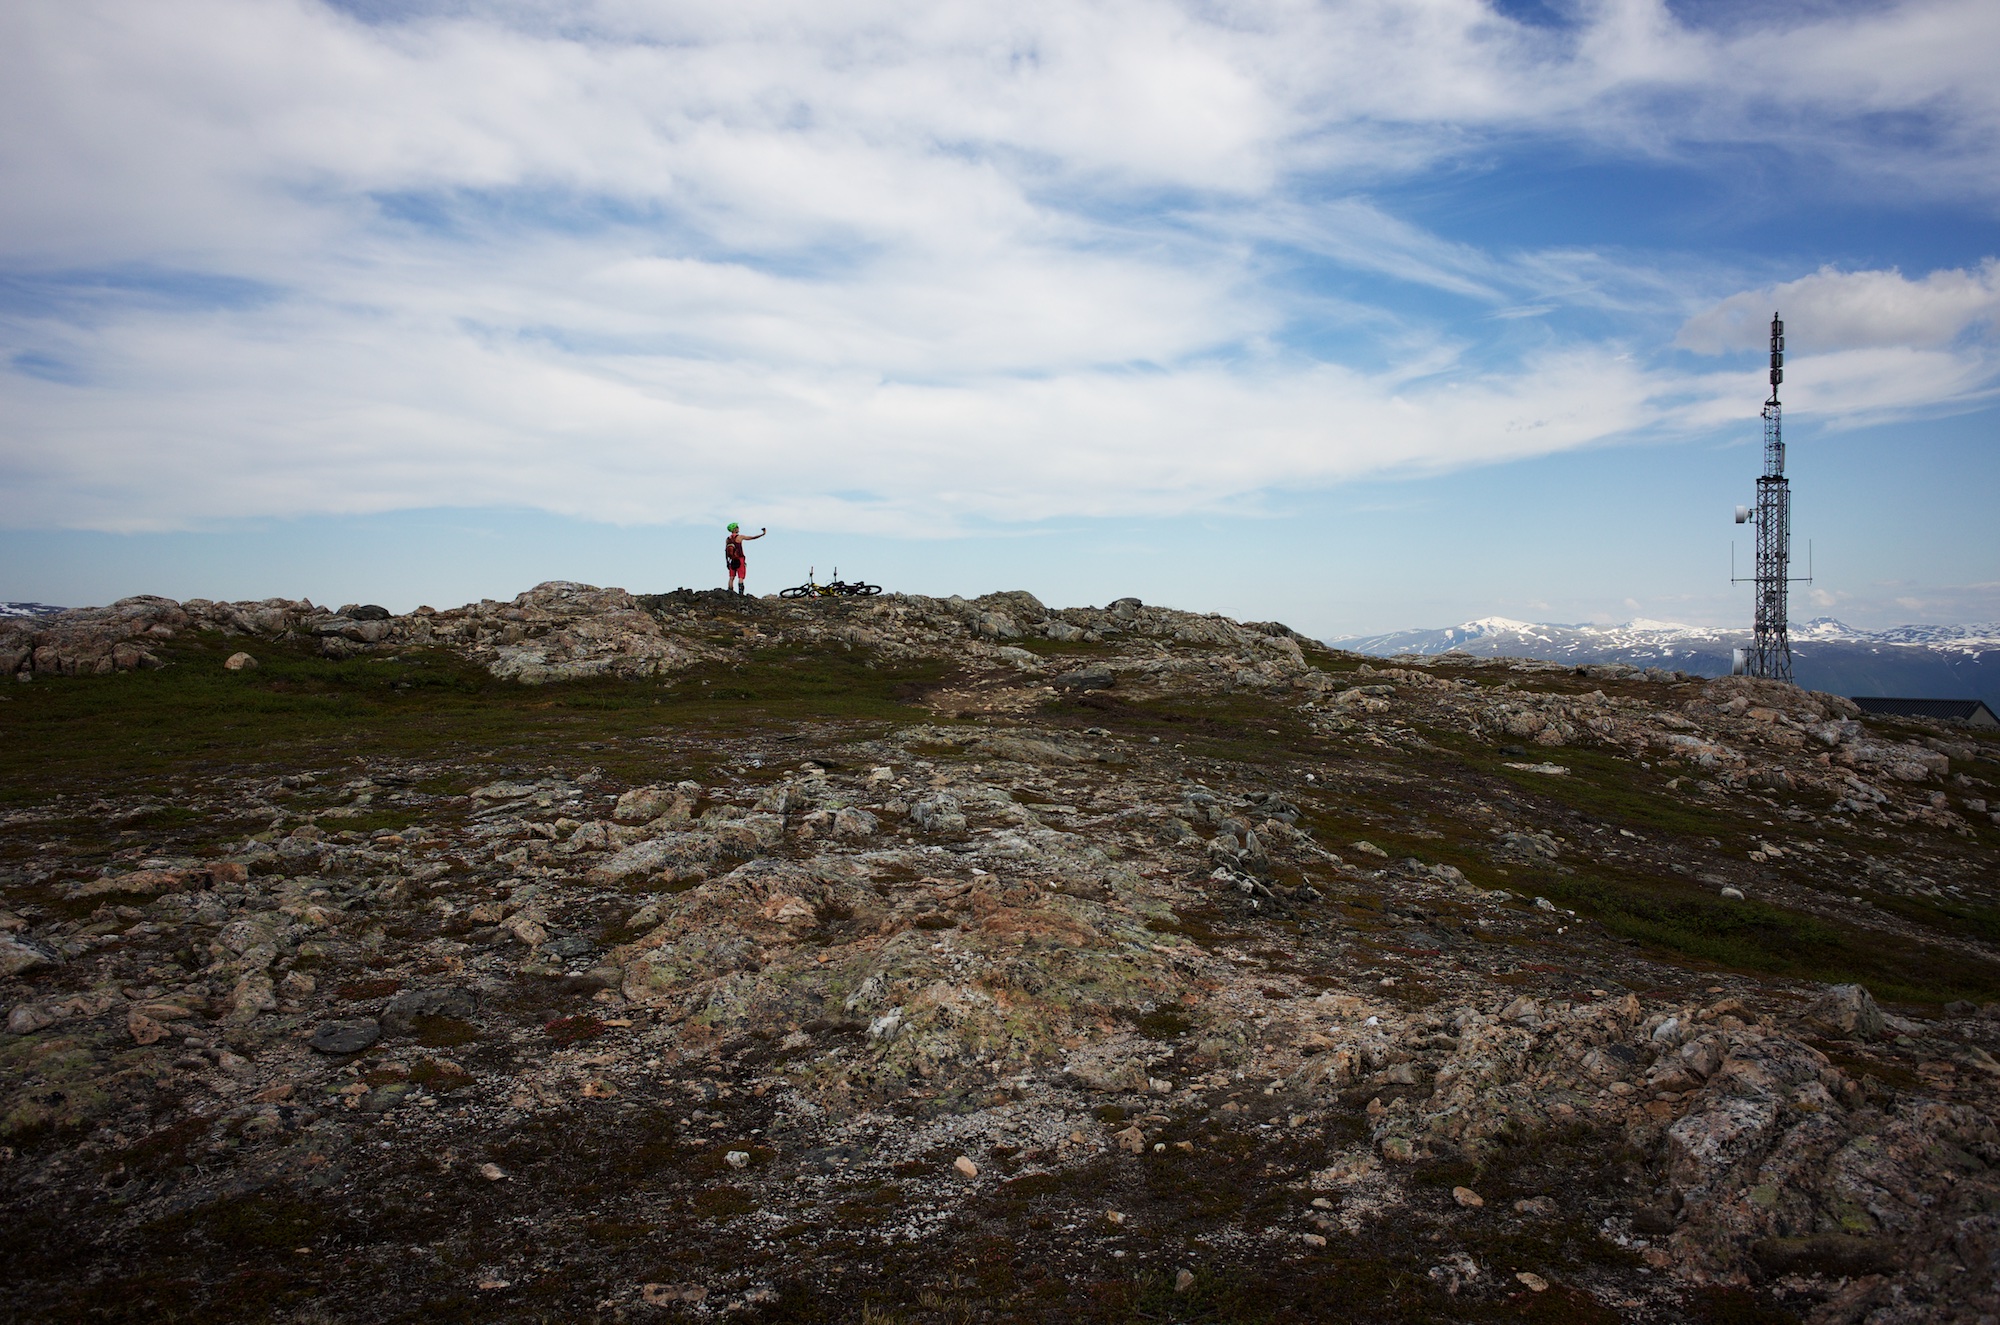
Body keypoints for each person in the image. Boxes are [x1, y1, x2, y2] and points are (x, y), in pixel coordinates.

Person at [724, 522, 766, 594]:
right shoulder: (740, 537)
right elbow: (752, 538)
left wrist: (727, 562)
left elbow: (726, 551)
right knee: (741, 577)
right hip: (740, 559)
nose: (738, 528)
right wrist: (762, 534)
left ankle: (730, 592)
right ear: (735, 529)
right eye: (737, 527)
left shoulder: (727, 539)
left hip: (731, 560)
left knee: (731, 577)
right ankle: (741, 593)